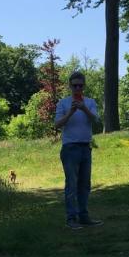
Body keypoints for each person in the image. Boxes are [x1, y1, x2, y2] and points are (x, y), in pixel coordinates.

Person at [54, 71, 104, 230]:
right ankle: (71, 218)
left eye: (80, 85)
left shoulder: (90, 102)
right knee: (72, 184)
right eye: (74, 85)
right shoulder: (63, 103)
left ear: (84, 86)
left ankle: (83, 216)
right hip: (70, 149)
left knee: (85, 184)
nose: (77, 88)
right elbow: (57, 124)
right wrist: (71, 112)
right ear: (70, 86)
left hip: (85, 148)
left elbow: (96, 120)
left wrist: (84, 109)